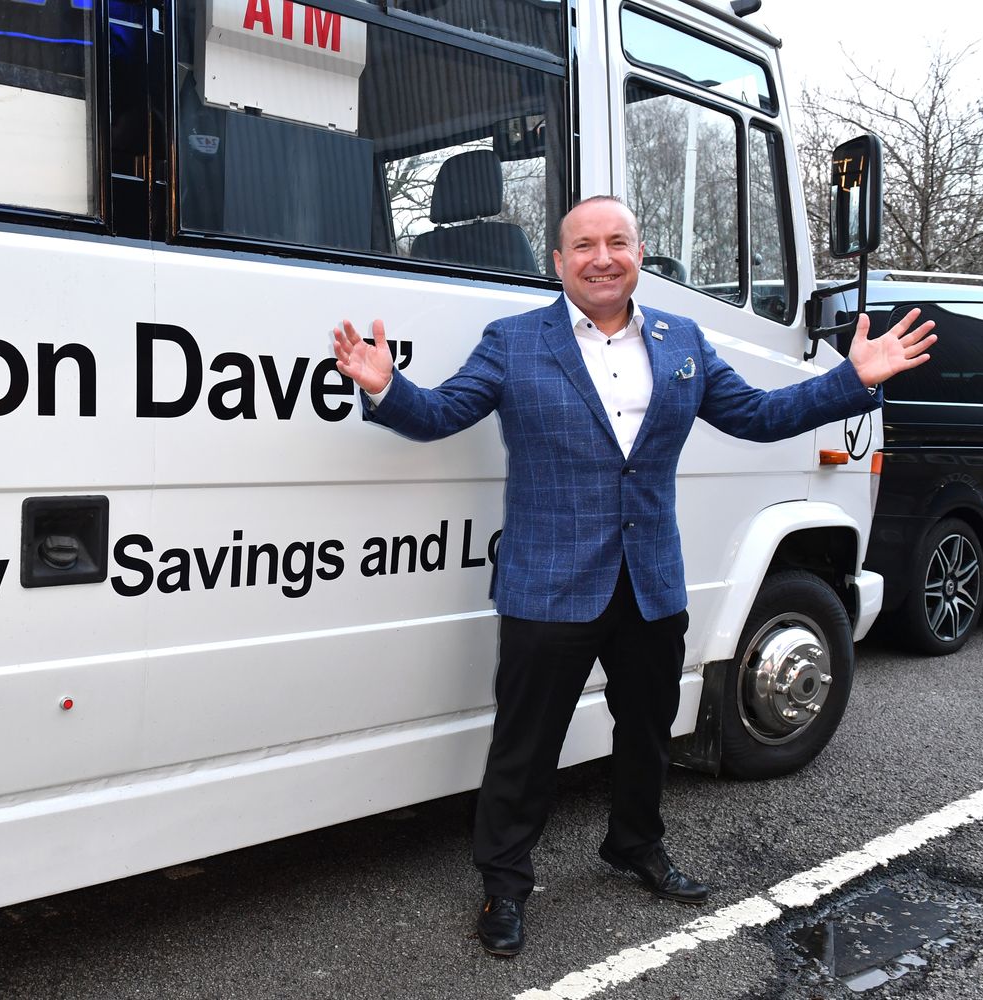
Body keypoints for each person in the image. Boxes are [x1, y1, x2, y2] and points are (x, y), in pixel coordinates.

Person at [332, 195, 936, 958]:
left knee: (648, 731)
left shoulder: (682, 340)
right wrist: (386, 387)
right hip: (549, 584)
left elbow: (756, 416)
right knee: (526, 744)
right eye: (584, 245)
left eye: (617, 241)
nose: (602, 257)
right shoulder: (514, 342)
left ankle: (635, 843)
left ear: (639, 254)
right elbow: (442, 413)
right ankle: (505, 883)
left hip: (649, 579)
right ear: (559, 262)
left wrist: (852, 380)